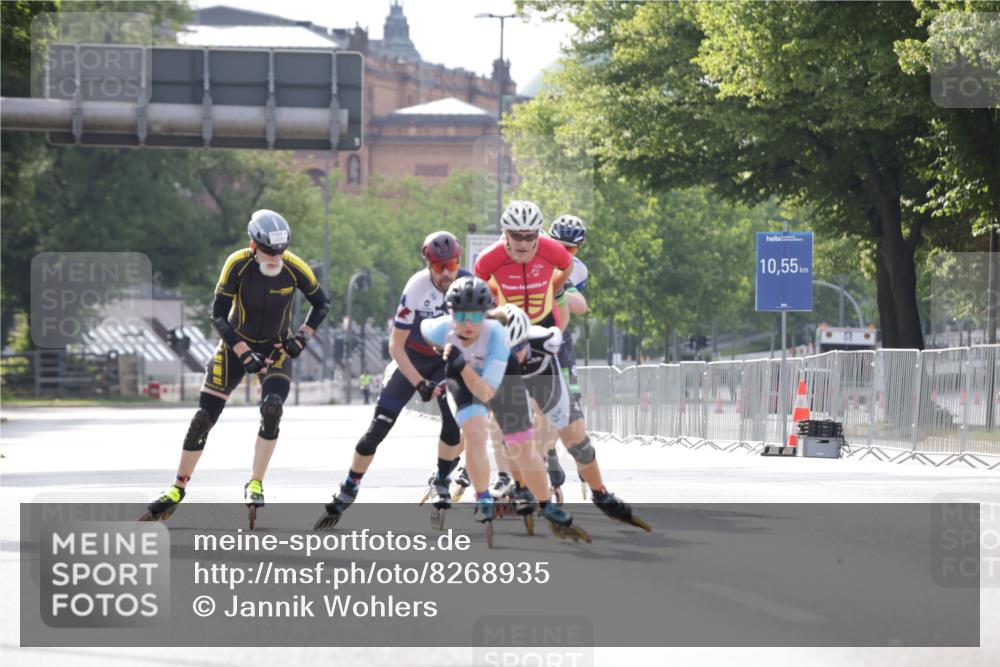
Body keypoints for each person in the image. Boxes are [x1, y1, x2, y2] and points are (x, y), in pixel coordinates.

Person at [142, 210, 330, 521]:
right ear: (253, 245)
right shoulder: (237, 264)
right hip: (233, 346)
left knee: (272, 409)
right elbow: (217, 315)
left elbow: (321, 303)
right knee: (203, 418)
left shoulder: (295, 267)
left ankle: (255, 483)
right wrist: (243, 352)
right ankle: (177, 488)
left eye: (280, 251)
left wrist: (301, 339)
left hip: (275, 350)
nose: (275, 257)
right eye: (269, 251)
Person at [314, 231, 468, 530]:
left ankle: (442, 479)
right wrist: (419, 382)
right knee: (377, 428)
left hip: (447, 358)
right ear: (428, 265)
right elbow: (395, 346)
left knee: (453, 421)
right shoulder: (417, 287)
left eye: (452, 264)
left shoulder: (467, 284)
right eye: (439, 267)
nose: (447, 273)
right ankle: (349, 486)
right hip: (413, 356)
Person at [417, 277, 588, 540]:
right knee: (474, 433)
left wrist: (462, 363)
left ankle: (545, 504)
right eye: (460, 315)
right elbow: (419, 331)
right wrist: (427, 374)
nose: (467, 323)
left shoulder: (497, 336)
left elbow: (487, 392)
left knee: (520, 444)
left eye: (475, 316)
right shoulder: (440, 329)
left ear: (486, 315)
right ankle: (483, 497)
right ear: (450, 313)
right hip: (462, 379)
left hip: (497, 379)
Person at [499, 303, 650, 531]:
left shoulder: (547, 340)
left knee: (578, 444)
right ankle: (520, 487)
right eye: (506, 350)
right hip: (508, 383)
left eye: (518, 347)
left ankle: (600, 493)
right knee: (511, 439)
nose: (514, 354)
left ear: (526, 339)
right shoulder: (483, 355)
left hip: (544, 378)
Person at [474, 201, 574, 497]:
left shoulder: (551, 249)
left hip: (542, 324)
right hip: (509, 329)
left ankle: (540, 458)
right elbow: (479, 288)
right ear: (505, 234)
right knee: (500, 406)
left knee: (546, 402)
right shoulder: (489, 259)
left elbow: (567, 266)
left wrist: (554, 288)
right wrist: (495, 307)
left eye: (530, 236)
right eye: (516, 236)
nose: (523, 242)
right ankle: (504, 474)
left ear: (538, 234)